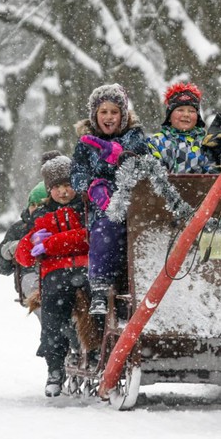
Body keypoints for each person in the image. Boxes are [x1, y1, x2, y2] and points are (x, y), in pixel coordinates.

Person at [15, 154, 89, 397]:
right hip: (55, 273)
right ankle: (54, 366)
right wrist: (31, 243)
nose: (63, 192)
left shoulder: (85, 208)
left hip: (86, 267)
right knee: (52, 312)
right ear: (49, 190)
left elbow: (87, 237)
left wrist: (51, 244)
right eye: (56, 187)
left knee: (95, 300)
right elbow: (24, 256)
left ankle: (95, 349)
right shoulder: (43, 214)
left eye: (67, 185)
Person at [71, 83, 148, 316]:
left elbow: (139, 164)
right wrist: (92, 186)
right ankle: (100, 289)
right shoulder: (85, 144)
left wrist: (115, 156)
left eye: (114, 112)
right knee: (106, 229)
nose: (108, 117)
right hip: (103, 207)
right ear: (95, 115)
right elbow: (76, 174)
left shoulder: (135, 137)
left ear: (123, 115)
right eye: (103, 112)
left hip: (136, 202)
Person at [0, 180, 49, 318]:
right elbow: (2, 267)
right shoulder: (19, 229)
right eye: (33, 204)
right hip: (29, 274)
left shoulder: (58, 222)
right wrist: (11, 249)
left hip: (55, 272)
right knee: (37, 290)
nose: (35, 209)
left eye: (40, 205)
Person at [147, 82, 215, 174]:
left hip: (201, 187)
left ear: (197, 117)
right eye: (180, 110)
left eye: (191, 111)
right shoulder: (156, 142)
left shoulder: (206, 142)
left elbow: (213, 172)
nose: (186, 114)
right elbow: (154, 173)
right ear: (169, 117)